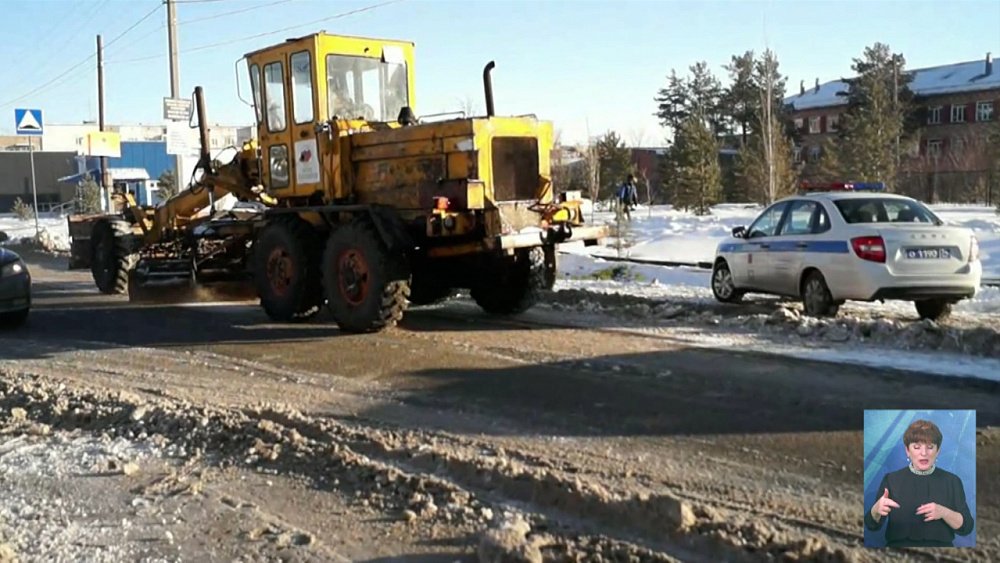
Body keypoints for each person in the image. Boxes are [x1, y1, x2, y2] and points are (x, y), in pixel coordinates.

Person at [865, 419, 974, 548]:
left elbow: (967, 527)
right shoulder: (891, 479)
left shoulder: (952, 481)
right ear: (907, 450)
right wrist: (876, 510)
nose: (924, 453)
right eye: (917, 447)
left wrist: (944, 512)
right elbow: (871, 525)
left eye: (930, 447)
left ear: (938, 451)